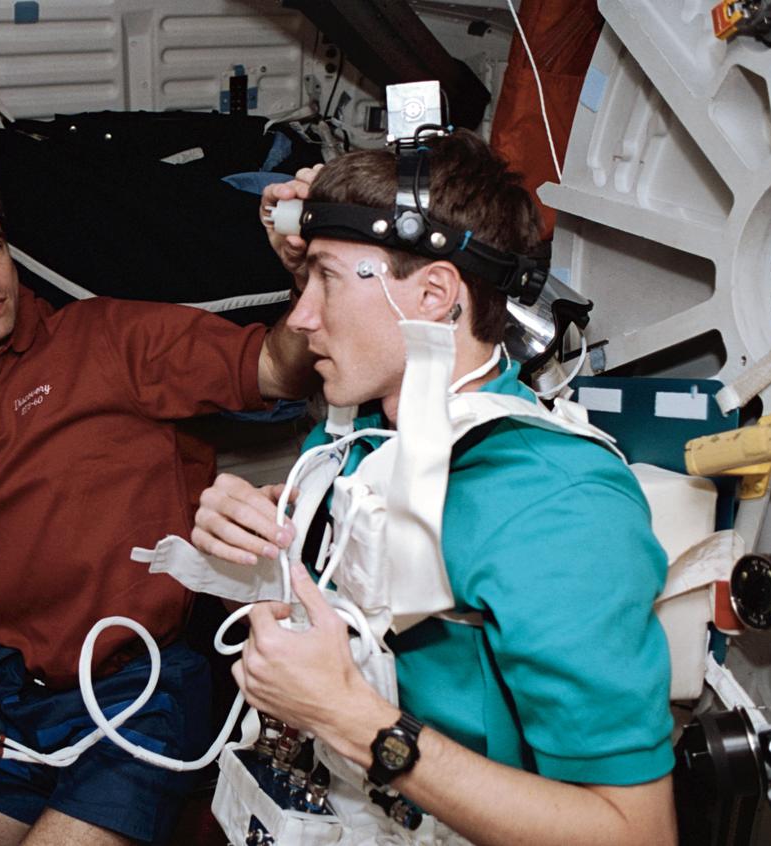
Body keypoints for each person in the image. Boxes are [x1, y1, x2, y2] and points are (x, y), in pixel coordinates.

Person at [191, 131, 678, 845]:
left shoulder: (556, 507)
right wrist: (249, 549)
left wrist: (352, 720)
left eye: (327, 280)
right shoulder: (359, 434)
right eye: (304, 279)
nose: (299, 317)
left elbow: (636, 834)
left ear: (433, 295)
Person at [0, 164, 316, 845]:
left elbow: (277, 368)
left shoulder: (110, 338)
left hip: (140, 690)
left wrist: (310, 277)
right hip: (4, 699)